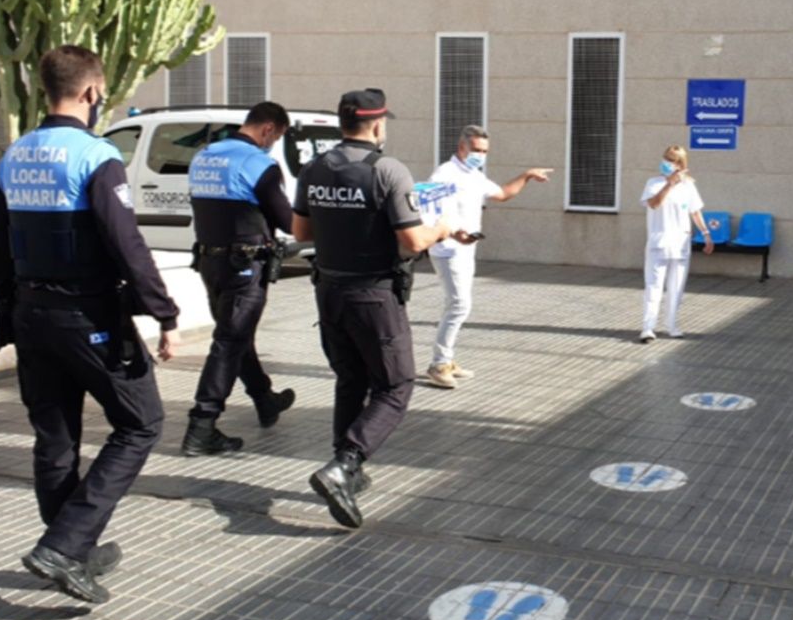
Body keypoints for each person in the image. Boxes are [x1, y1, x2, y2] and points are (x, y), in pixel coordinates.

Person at [0, 45, 180, 603]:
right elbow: (127, 244)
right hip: (87, 316)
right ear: (92, 92)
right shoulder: (95, 156)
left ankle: (73, 550)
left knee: (55, 439)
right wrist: (163, 312)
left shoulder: (14, 154)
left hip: (30, 315)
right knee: (141, 424)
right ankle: (65, 546)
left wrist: (7, 314)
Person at [292, 88, 455, 529]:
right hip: (374, 296)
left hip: (329, 292)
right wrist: (442, 228)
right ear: (378, 125)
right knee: (396, 385)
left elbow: (301, 231)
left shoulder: (314, 168)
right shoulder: (388, 170)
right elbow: (413, 241)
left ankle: (346, 469)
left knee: (351, 377)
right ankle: (345, 465)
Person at [181, 102, 296, 456]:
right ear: (268, 130)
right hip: (244, 266)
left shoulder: (205, 155)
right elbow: (288, 222)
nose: (273, 143)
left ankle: (265, 399)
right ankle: (202, 425)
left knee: (236, 335)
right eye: (276, 137)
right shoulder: (259, 165)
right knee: (229, 341)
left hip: (209, 262)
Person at [424, 125, 552, 388]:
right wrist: (453, 233)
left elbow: (503, 194)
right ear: (462, 147)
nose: (481, 155)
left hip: (467, 247)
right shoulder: (444, 174)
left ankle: (446, 358)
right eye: (477, 150)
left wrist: (527, 175)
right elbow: (431, 212)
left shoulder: (474, 175)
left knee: (457, 304)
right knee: (459, 304)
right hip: (448, 249)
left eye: (485, 151)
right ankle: (439, 364)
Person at [639, 145, 713, 343]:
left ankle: (672, 325)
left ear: (680, 164)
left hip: (680, 243)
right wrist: (669, 184)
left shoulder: (689, 187)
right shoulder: (653, 183)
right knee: (654, 286)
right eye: (665, 158)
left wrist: (706, 234)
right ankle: (648, 328)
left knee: (676, 287)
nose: (665, 162)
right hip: (659, 242)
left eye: (670, 160)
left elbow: (695, 211)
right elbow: (654, 204)